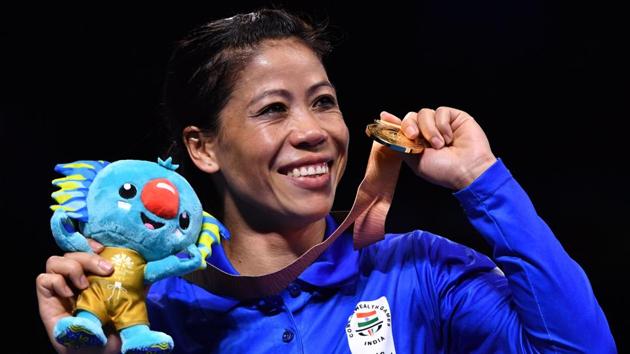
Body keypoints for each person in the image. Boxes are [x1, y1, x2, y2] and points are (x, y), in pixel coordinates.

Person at [36, 8, 616, 354]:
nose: (314, 131)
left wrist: (481, 181)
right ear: (202, 147)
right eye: (273, 110)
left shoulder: (419, 271)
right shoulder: (158, 309)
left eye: (323, 102)